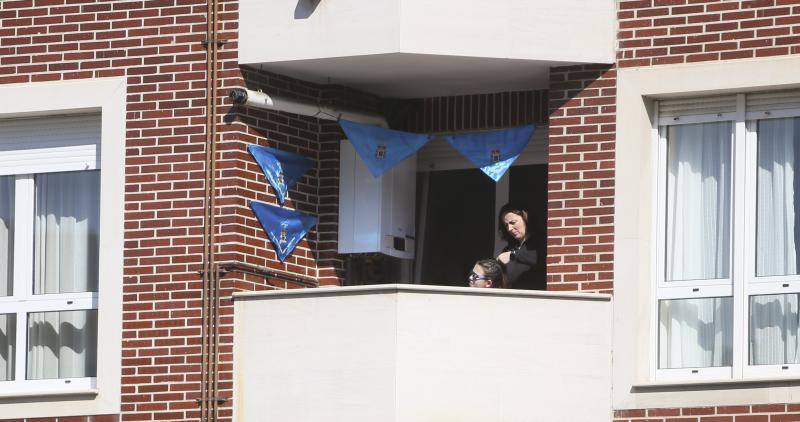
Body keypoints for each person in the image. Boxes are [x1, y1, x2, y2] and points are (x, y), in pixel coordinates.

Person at [496, 203, 543, 290]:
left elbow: (540, 258)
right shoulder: (508, 249)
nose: (509, 228)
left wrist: (512, 255)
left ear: (525, 218)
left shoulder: (541, 243)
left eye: (513, 222)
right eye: (506, 225)